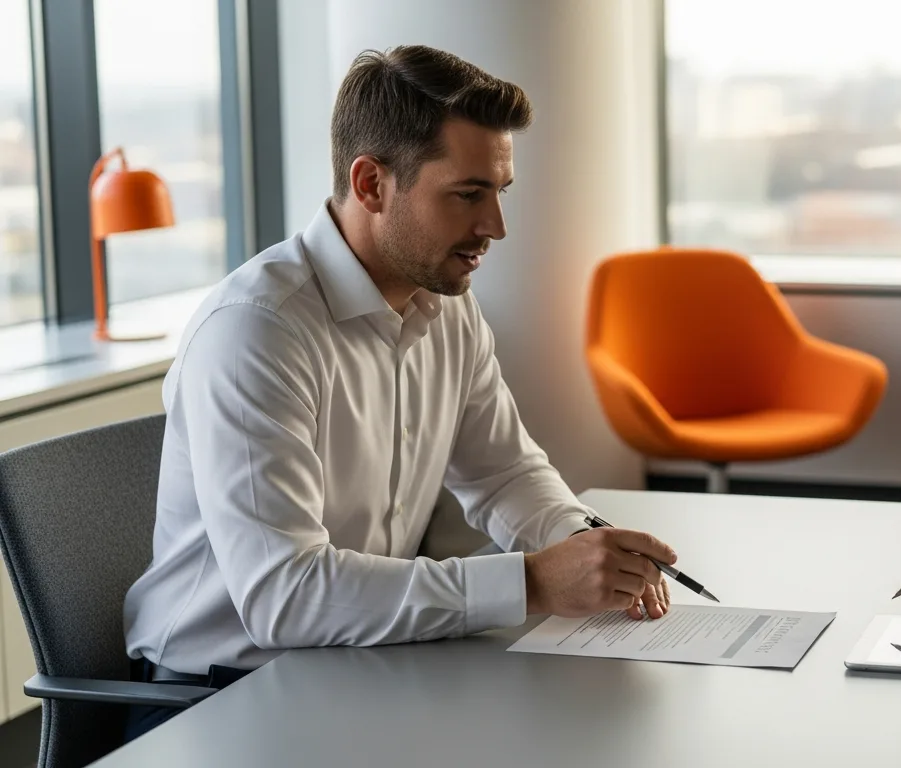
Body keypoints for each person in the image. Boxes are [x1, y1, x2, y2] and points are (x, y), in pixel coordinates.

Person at [123, 45, 676, 738]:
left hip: (358, 665)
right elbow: (284, 598)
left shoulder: (447, 304)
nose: (495, 228)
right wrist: (533, 582)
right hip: (217, 702)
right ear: (371, 183)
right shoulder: (257, 332)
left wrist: (584, 550)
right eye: (468, 195)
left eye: (500, 193)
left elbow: (505, 473)